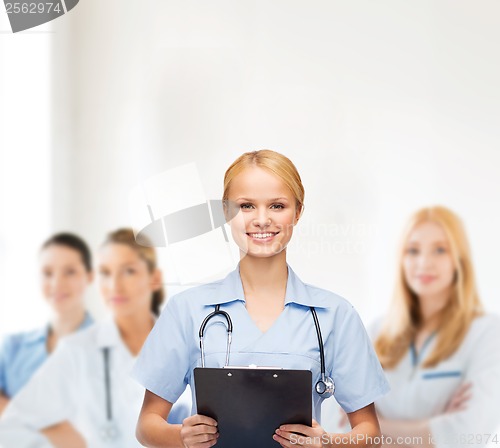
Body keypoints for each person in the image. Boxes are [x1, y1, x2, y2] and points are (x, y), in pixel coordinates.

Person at [133, 150, 390, 448]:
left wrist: (328, 443)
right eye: (246, 206)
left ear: (298, 212)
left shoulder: (335, 315)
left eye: (277, 205)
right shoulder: (187, 311)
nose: (262, 219)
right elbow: (146, 425)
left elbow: (369, 431)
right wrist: (181, 437)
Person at [0, 228, 191, 448]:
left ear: (154, 278)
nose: (114, 286)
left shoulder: (184, 342)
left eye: (128, 271)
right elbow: (15, 424)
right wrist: (58, 433)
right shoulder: (76, 350)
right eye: (105, 273)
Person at [372, 206, 500, 448]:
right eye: (413, 251)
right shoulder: (376, 333)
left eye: (440, 250)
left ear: (459, 259)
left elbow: (468, 433)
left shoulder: (487, 334)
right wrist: (435, 431)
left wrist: (374, 426)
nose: (424, 263)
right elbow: (338, 425)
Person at [0, 232, 94, 415]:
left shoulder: (113, 349)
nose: (57, 283)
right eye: (47, 273)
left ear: (89, 276)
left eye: (70, 272)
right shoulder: (11, 347)